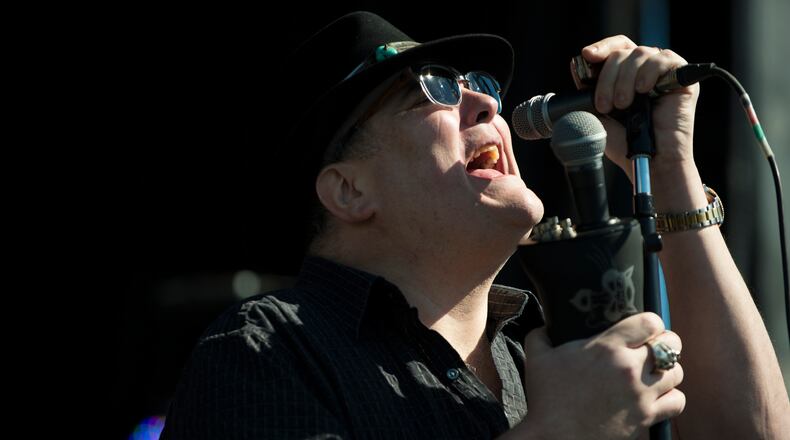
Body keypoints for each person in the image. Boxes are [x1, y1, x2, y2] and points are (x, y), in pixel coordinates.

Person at [160, 11, 790, 439]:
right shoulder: (263, 351)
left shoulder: (541, 352)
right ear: (350, 190)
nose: (486, 102)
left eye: (477, 84)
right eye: (431, 91)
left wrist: (672, 162)